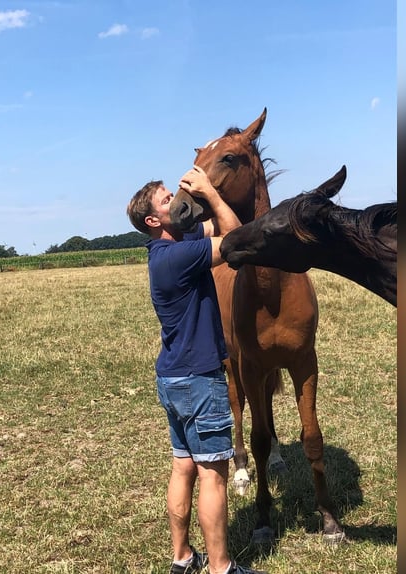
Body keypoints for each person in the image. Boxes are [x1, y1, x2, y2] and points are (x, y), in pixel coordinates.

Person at [126, 166, 267, 574]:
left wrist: (198, 196)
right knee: (213, 475)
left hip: (171, 377)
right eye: (167, 199)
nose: (176, 199)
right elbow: (239, 237)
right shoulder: (180, 257)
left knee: (182, 466)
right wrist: (213, 193)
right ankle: (222, 567)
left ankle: (183, 558)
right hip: (198, 378)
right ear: (153, 221)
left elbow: (205, 228)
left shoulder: (168, 248)